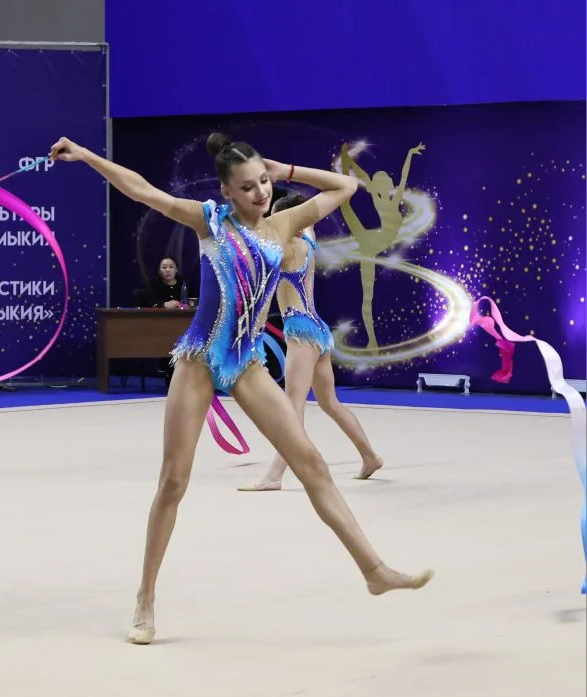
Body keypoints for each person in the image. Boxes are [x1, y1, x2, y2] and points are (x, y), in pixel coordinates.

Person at [48, 133, 433, 645]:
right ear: (226, 192)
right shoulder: (210, 221)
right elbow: (142, 191)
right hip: (201, 359)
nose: (260, 193)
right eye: (247, 187)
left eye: (263, 183)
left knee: (312, 463)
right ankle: (145, 596)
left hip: (247, 363)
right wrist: (85, 155)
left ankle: (374, 571)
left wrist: (286, 169)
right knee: (173, 481)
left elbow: (344, 187)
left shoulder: (284, 224)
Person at [238, 192, 383, 491]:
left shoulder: (288, 247)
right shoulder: (308, 239)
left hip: (301, 331)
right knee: (329, 402)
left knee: (292, 407)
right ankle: (370, 456)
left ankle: (274, 476)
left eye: (280, 219)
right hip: (318, 329)